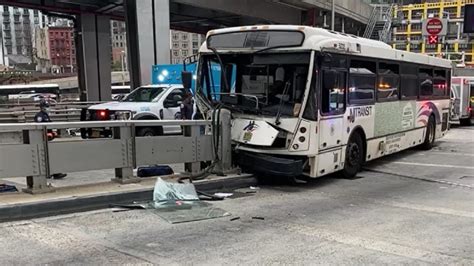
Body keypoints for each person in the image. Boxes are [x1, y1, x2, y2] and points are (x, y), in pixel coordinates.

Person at [34, 99, 67, 179]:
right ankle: (51, 173)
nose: (48, 108)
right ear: (42, 107)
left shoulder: (46, 115)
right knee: (46, 157)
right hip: (42, 140)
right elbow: (39, 128)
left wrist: (53, 132)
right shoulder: (39, 116)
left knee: (51, 156)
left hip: (48, 139)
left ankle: (53, 173)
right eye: (46, 106)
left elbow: (49, 125)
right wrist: (46, 133)